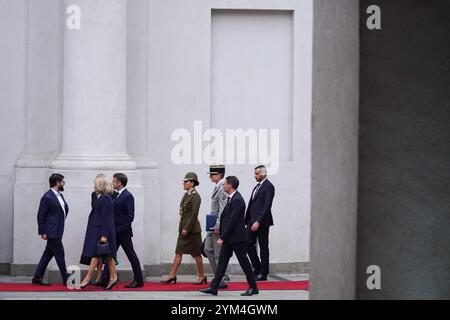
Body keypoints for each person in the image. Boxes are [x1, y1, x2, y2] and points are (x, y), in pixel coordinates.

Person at [199, 176, 258, 296]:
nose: (224, 186)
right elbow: (226, 219)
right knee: (222, 262)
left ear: (230, 185)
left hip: (237, 238)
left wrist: (222, 237)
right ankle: (214, 287)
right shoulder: (231, 198)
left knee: (244, 263)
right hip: (230, 238)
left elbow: (232, 221)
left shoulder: (237, 200)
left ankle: (253, 287)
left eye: (225, 184)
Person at [161, 172, 206, 285]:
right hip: (183, 229)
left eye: (186, 182)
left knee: (196, 254)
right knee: (178, 252)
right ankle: (172, 275)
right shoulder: (186, 194)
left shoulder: (196, 196)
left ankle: (202, 276)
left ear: (192, 183)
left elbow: (194, 214)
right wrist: (182, 228)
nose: (184, 183)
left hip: (192, 230)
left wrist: (186, 228)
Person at [100, 173, 144, 288]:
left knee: (131, 255)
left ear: (119, 183)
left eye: (114, 181)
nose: (112, 183)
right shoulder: (115, 195)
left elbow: (130, 217)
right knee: (109, 255)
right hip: (115, 231)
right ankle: (105, 279)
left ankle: (139, 280)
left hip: (123, 232)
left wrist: (119, 230)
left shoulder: (127, 196)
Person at [79, 174, 118, 290]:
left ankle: (88, 278)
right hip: (100, 230)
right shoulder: (103, 197)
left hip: (102, 231)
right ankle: (113, 277)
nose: (93, 187)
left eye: (95, 184)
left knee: (96, 255)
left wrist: (104, 235)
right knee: (109, 256)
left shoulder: (105, 198)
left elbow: (106, 218)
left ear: (100, 185)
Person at [32, 173, 70, 286]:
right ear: (57, 182)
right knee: (60, 253)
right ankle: (65, 277)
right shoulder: (47, 197)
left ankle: (37, 277)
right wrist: (42, 231)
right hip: (51, 231)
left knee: (48, 254)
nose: (64, 184)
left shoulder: (60, 195)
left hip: (58, 229)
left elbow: (63, 210)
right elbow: (40, 215)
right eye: (63, 182)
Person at [245, 165, 275, 281]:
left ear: (263, 174)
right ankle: (257, 267)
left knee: (263, 247)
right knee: (247, 243)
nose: (255, 176)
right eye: (255, 173)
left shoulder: (269, 187)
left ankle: (263, 273)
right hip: (251, 221)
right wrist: (248, 220)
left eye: (257, 174)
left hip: (262, 222)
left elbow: (267, 206)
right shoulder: (257, 186)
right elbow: (253, 205)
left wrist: (258, 221)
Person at [204, 165, 230, 288]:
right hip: (212, 224)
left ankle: (221, 279)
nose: (210, 176)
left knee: (218, 254)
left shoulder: (222, 188)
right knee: (207, 249)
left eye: (212, 174)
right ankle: (221, 275)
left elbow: (223, 209)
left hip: (217, 225)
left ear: (219, 175)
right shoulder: (217, 187)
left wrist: (218, 225)